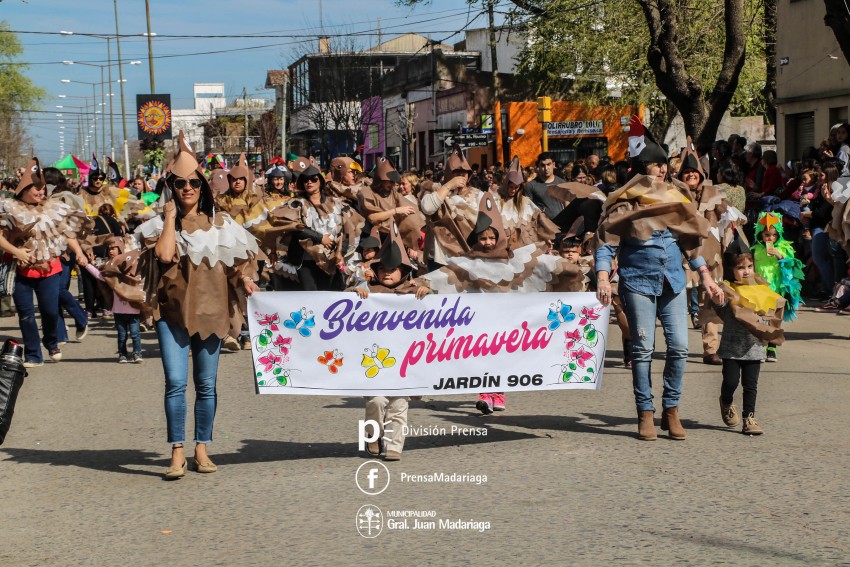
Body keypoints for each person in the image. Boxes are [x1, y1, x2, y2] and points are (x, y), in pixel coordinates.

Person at [135, 137, 261, 479]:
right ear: (172, 187)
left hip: (210, 312)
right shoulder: (159, 225)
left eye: (193, 182)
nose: (187, 188)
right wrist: (169, 217)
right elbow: (164, 255)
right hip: (171, 314)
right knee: (175, 382)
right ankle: (177, 451)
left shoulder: (222, 225)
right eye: (180, 183)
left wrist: (245, 281)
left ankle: (201, 448)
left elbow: (237, 268)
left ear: (202, 186)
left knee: (206, 384)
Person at [595, 117, 724, 441]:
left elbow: (689, 242)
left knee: (679, 347)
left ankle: (671, 410)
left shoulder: (676, 196)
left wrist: (706, 276)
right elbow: (606, 244)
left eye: (664, 164)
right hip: (638, 281)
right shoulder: (624, 201)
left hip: (673, 281)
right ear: (643, 168)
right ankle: (645, 413)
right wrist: (602, 277)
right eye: (656, 164)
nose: (662, 169)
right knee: (643, 349)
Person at [352, 223, 430, 462]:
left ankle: (395, 445)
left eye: (393, 269)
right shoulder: (368, 290)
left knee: (398, 405)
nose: (387, 273)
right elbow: (340, 308)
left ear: (403, 271)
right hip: (373, 361)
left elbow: (439, 312)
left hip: (403, 361)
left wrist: (427, 291)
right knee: (376, 401)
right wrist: (354, 293)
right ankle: (372, 434)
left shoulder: (413, 291)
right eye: (383, 269)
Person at [0, 158, 88, 368]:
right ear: (24, 189)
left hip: (49, 269)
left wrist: (79, 253)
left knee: (50, 311)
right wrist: (16, 251)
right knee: (26, 315)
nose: (41, 192)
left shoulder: (53, 208)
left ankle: (51, 342)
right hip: (20, 270)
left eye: (43, 188)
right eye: (36, 189)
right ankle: (33, 355)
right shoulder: (10, 209)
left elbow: (67, 233)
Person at [711, 241, 786, 435]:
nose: (746, 271)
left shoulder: (761, 288)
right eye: (740, 267)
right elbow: (720, 310)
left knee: (750, 385)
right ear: (731, 269)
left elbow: (770, 313)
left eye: (750, 266)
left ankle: (749, 418)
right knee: (731, 382)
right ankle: (726, 401)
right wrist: (717, 300)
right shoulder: (728, 290)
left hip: (755, 347)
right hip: (731, 348)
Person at [751, 212, 804, 362]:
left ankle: (772, 347)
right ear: (760, 234)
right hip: (760, 289)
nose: (770, 238)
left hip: (777, 289)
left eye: (774, 235)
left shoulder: (783, 248)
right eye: (767, 235)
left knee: (775, 318)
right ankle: (761, 346)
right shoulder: (755, 249)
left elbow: (793, 266)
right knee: (760, 318)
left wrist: (781, 256)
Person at [83, 237, 144, 363]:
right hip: (119, 310)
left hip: (134, 309)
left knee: (135, 334)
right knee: (122, 335)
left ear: (121, 249)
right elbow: (101, 276)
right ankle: (122, 354)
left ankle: (137, 353)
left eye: (114, 248)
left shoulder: (132, 267)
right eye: (109, 249)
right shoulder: (110, 269)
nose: (111, 251)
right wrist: (88, 265)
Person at [524, 152, 566, 219]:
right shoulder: (530, 186)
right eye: (543, 165)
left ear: (553, 165)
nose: (546, 168)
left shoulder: (562, 183)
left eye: (548, 164)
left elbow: (566, 204)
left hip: (561, 223)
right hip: (541, 224)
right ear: (538, 166)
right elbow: (527, 208)